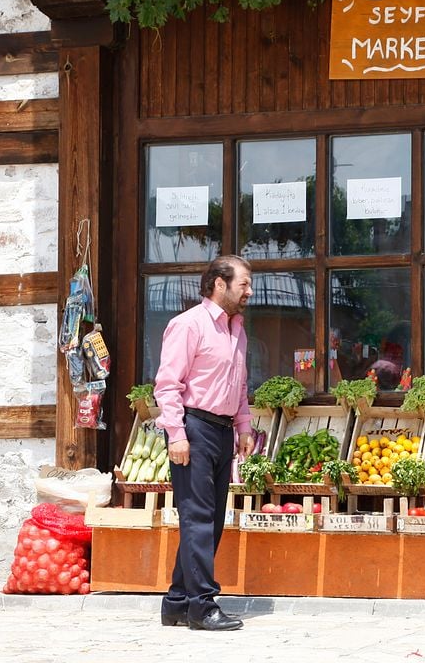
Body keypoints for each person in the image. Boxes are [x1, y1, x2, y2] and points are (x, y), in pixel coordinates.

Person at [155, 255, 255, 632]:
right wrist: (176, 434)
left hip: (222, 430)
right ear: (218, 283)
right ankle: (202, 606)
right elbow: (167, 385)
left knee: (210, 523)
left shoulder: (237, 331)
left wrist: (244, 427)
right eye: (243, 283)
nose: (249, 291)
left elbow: (240, 386)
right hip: (193, 428)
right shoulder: (187, 325)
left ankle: (177, 603)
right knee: (197, 520)